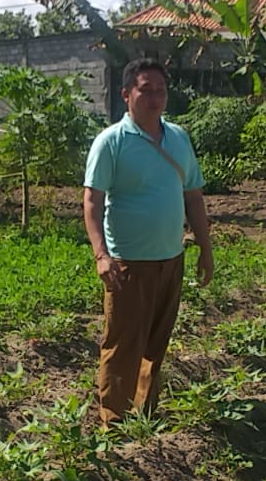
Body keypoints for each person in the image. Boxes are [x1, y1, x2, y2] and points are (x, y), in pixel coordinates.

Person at [83, 59, 213, 428]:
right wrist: (101, 257)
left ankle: (145, 418)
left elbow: (194, 196)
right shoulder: (111, 142)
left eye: (160, 90)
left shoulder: (178, 137)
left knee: (156, 346)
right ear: (127, 94)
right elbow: (92, 201)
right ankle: (113, 424)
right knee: (122, 347)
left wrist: (205, 247)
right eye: (145, 89)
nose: (154, 97)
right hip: (128, 264)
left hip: (171, 259)